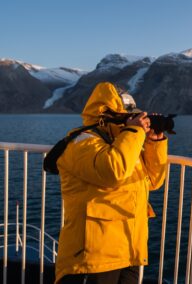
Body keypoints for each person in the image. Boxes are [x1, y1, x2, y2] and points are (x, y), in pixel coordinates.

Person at [55, 82, 168, 283]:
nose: (134, 121)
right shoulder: (82, 142)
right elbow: (113, 172)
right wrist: (133, 133)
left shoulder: (124, 145)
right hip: (93, 257)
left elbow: (152, 181)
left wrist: (154, 142)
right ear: (107, 116)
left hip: (128, 249)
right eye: (128, 117)